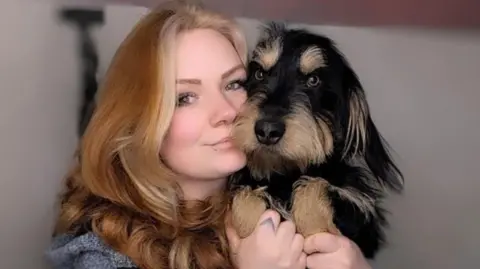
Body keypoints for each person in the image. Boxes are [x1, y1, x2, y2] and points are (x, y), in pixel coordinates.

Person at [45, 1, 372, 269]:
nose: (228, 112)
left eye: (235, 84)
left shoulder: (277, 206)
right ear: (138, 122)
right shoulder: (101, 256)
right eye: (185, 97)